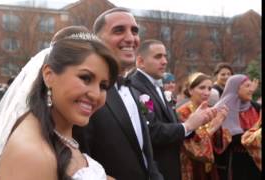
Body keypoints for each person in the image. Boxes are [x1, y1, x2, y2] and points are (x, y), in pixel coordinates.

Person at [0, 32, 119, 180]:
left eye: (103, 86)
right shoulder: (31, 154)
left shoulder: (54, 129)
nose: (96, 94)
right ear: (49, 75)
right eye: (85, 78)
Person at [74, 8, 164, 180]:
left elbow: (147, 151)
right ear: (97, 40)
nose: (130, 38)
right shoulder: (84, 95)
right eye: (119, 30)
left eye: (134, 31)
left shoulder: (138, 92)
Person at [128, 39, 220, 180]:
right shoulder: (139, 89)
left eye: (165, 56)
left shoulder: (156, 86)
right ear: (140, 61)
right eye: (158, 57)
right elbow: (152, 131)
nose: (164, 61)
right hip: (156, 171)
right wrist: (188, 125)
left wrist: (196, 121)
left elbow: (172, 124)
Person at [176, 72, 231, 180]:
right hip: (191, 165)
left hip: (210, 167)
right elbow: (190, 145)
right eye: (202, 88)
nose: (207, 92)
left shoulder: (211, 110)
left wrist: (219, 128)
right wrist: (213, 128)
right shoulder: (182, 112)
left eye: (209, 88)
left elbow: (221, 142)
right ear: (190, 90)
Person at [213, 74, 261, 180]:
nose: (251, 90)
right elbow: (226, 138)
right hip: (233, 162)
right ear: (235, 88)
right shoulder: (222, 109)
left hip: (255, 162)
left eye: (251, 86)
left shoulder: (256, 108)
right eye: (247, 86)